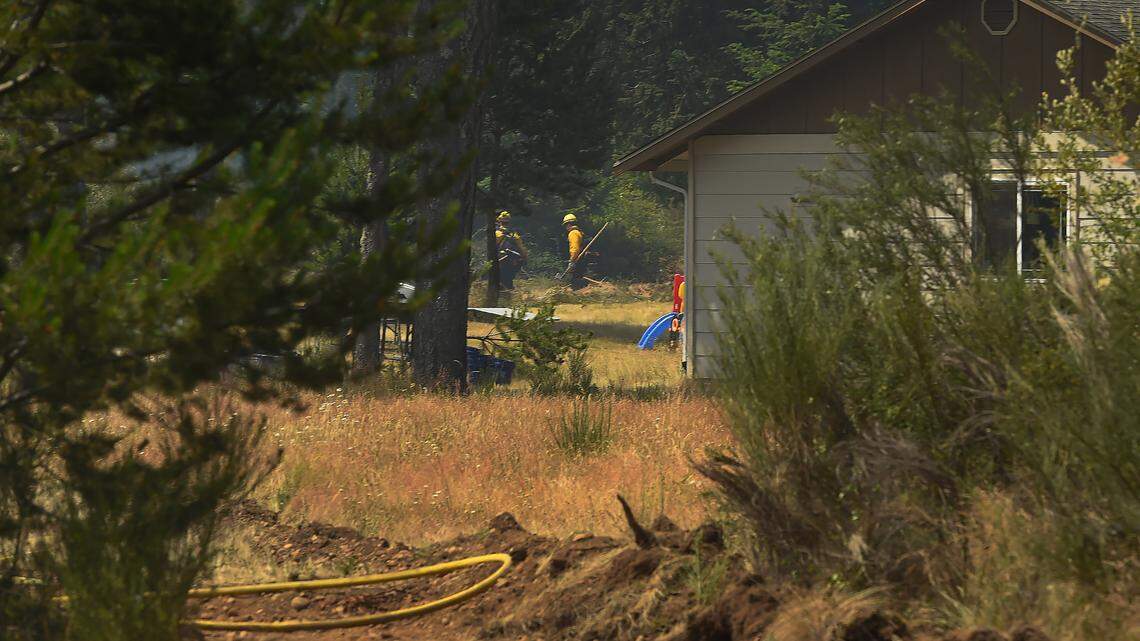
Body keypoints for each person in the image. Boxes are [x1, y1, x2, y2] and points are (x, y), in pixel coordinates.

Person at [494, 210, 527, 291]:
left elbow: (492, 248)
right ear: (509, 222)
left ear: (499, 221)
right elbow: (522, 250)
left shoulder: (496, 233)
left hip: (500, 261)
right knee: (508, 281)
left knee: (499, 282)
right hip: (512, 262)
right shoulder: (514, 234)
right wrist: (525, 259)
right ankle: (509, 298)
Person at [562, 213, 588, 290]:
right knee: (579, 278)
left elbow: (575, 249)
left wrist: (571, 261)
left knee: (575, 282)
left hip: (577, 260)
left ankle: (577, 295)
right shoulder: (579, 232)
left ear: (568, 224)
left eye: (565, 225)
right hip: (581, 258)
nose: (566, 227)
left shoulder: (573, 233)